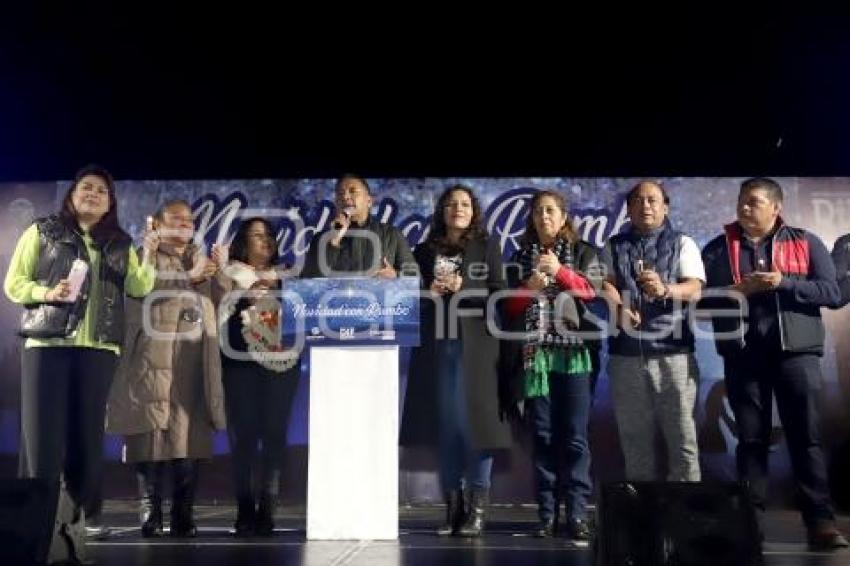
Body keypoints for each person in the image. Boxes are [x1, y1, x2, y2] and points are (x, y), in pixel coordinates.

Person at [3, 164, 157, 537]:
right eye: (86, 188)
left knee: (87, 437)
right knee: (42, 438)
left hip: (99, 349)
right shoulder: (42, 231)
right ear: (71, 195)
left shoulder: (119, 242)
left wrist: (148, 252)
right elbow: (14, 284)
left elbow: (138, 287)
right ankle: (38, 520)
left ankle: (81, 519)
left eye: (101, 191)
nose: (92, 194)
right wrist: (46, 293)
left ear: (110, 204)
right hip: (48, 345)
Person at [701, 177, 848, 550]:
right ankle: (748, 523)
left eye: (753, 202)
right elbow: (700, 305)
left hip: (796, 354)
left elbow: (831, 294)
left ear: (775, 207)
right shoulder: (719, 249)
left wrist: (783, 283)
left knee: (806, 439)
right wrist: (737, 292)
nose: (744, 208)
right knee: (750, 441)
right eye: (741, 201)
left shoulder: (805, 241)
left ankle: (821, 521)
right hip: (743, 356)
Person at [106, 199, 227, 537]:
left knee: (188, 439)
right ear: (157, 225)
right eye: (176, 218)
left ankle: (184, 513)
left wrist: (222, 271)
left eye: (189, 220)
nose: (185, 224)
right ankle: (150, 512)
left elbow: (221, 305)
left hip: (192, 360)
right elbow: (140, 291)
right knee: (150, 438)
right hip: (152, 357)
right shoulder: (142, 255)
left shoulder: (199, 258)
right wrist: (188, 278)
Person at [400, 185, 511, 537]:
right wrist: (427, 292)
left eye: (464, 203)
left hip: (478, 349)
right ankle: (453, 509)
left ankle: (477, 510)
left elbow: (500, 294)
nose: (457, 209)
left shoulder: (487, 246)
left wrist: (465, 285)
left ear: (473, 210)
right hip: (437, 348)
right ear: (442, 211)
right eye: (451, 204)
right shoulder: (424, 250)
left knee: (477, 426)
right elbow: (408, 298)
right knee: (446, 429)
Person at [502, 190, 604, 541]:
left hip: (575, 355)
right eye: (537, 211)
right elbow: (508, 310)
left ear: (563, 217)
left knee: (574, 438)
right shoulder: (519, 257)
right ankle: (547, 514)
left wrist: (560, 271)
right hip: (535, 357)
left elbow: (592, 293)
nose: (544, 216)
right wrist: (528, 288)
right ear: (531, 219)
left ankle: (576, 513)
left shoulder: (584, 252)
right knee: (543, 436)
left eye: (550, 211)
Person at [602, 181, 704, 482]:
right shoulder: (612, 245)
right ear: (629, 208)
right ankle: (642, 521)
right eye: (638, 200)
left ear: (665, 206)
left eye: (653, 200)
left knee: (683, 441)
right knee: (635, 443)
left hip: (674, 355)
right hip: (626, 358)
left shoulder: (682, 243)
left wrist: (664, 289)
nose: (646, 206)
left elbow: (696, 289)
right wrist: (619, 308)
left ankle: (685, 521)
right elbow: (604, 283)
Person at [215, 217, 300, 536]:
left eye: (269, 236)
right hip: (239, 364)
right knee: (244, 438)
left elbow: (303, 316)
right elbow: (215, 310)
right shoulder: (228, 273)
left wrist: (277, 291)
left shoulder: (288, 274)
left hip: (281, 367)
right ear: (242, 242)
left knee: (275, 435)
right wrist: (242, 293)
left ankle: (268, 510)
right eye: (256, 236)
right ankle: (245, 509)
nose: (265, 241)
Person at [301, 174, 415, 277]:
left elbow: (416, 279)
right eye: (340, 193)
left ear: (369, 201)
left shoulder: (392, 235)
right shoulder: (321, 239)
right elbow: (307, 283)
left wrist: (395, 276)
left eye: (353, 191)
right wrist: (332, 242)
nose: (345, 197)